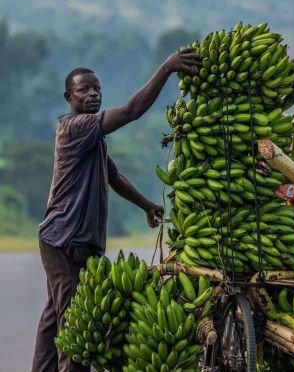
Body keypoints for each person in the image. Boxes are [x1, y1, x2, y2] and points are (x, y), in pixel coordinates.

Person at [32, 48, 200, 372]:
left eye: (97, 89)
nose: (93, 94)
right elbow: (132, 111)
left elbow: (113, 175)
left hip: (70, 240)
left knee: (54, 318)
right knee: (74, 326)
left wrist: (147, 206)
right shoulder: (75, 128)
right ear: (69, 97)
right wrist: (166, 68)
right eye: (85, 89)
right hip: (65, 240)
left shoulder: (91, 138)